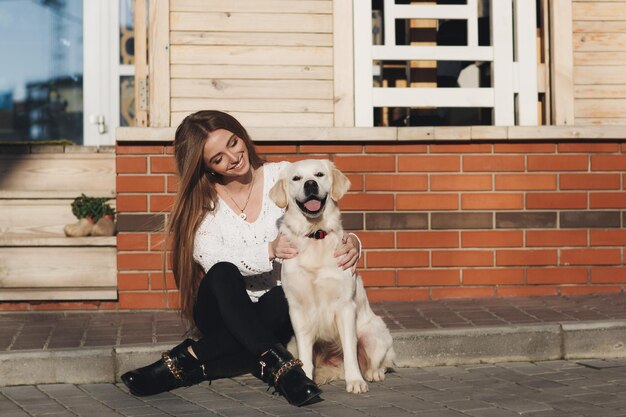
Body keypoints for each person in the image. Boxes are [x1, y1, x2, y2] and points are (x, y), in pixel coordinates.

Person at [121, 110, 361, 407]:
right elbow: (211, 259)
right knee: (223, 271)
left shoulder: (285, 175)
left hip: (276, 310)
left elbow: (326, 220)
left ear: (241, 134)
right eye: (218, 158)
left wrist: (352, 243)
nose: (233, 157)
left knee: (282, 297)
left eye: (233, 143)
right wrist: (268, 250)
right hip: (223, 311)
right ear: (206, 167)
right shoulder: (204, 203)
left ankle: (188, 362)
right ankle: (282, 368)